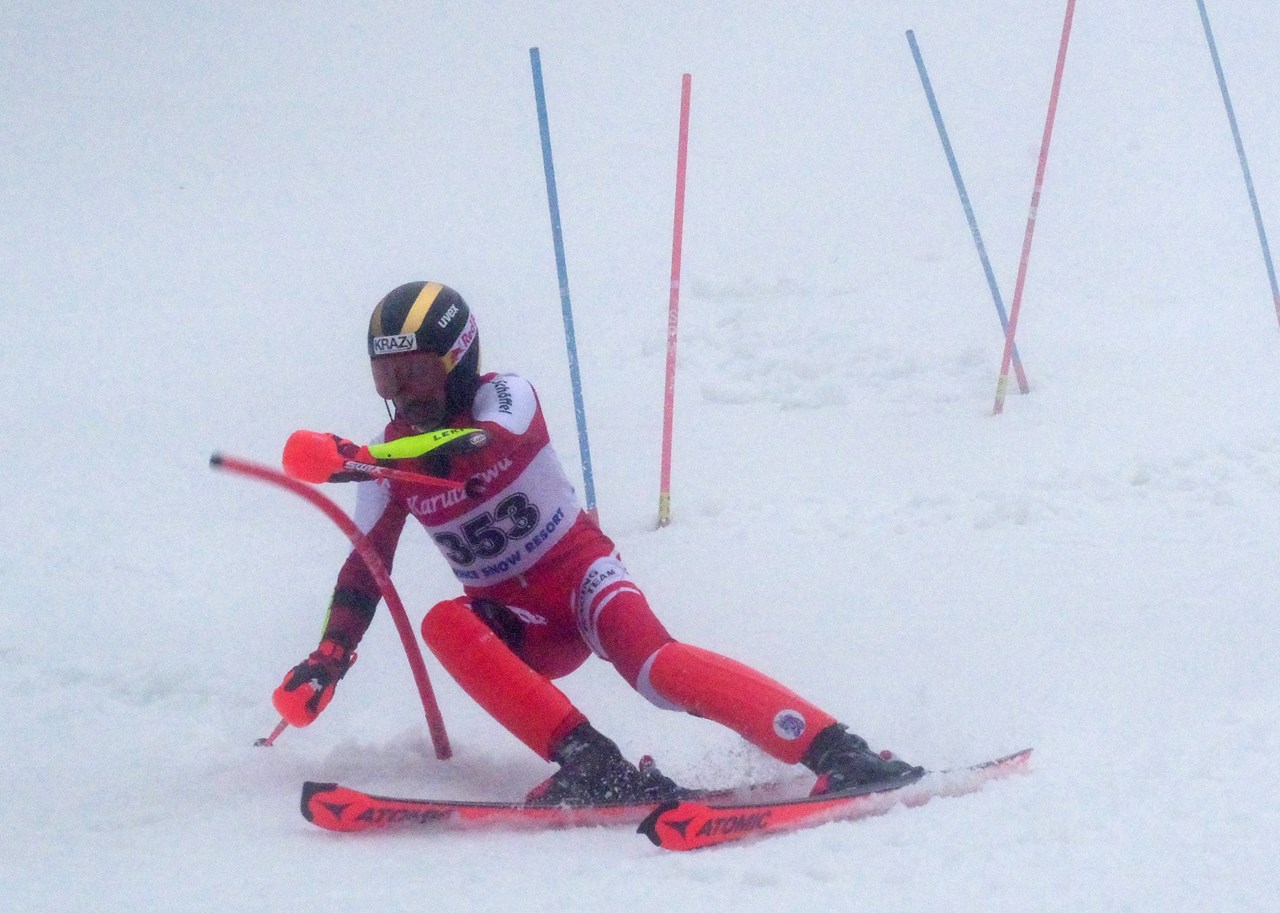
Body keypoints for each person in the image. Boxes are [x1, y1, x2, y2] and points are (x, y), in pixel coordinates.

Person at [273, 280, 921, 804]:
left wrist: (365, 459)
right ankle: (591, 762)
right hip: (522, 623)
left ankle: (836, 748)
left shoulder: (506, 396)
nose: (403, 396)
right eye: (387, 379)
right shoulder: (385, 461)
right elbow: (366, 567)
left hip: (583, 580)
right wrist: (329, 656)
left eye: (415, 374)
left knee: (656, 669)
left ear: (459, 361)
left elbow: (476, 447)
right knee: (444, 620)